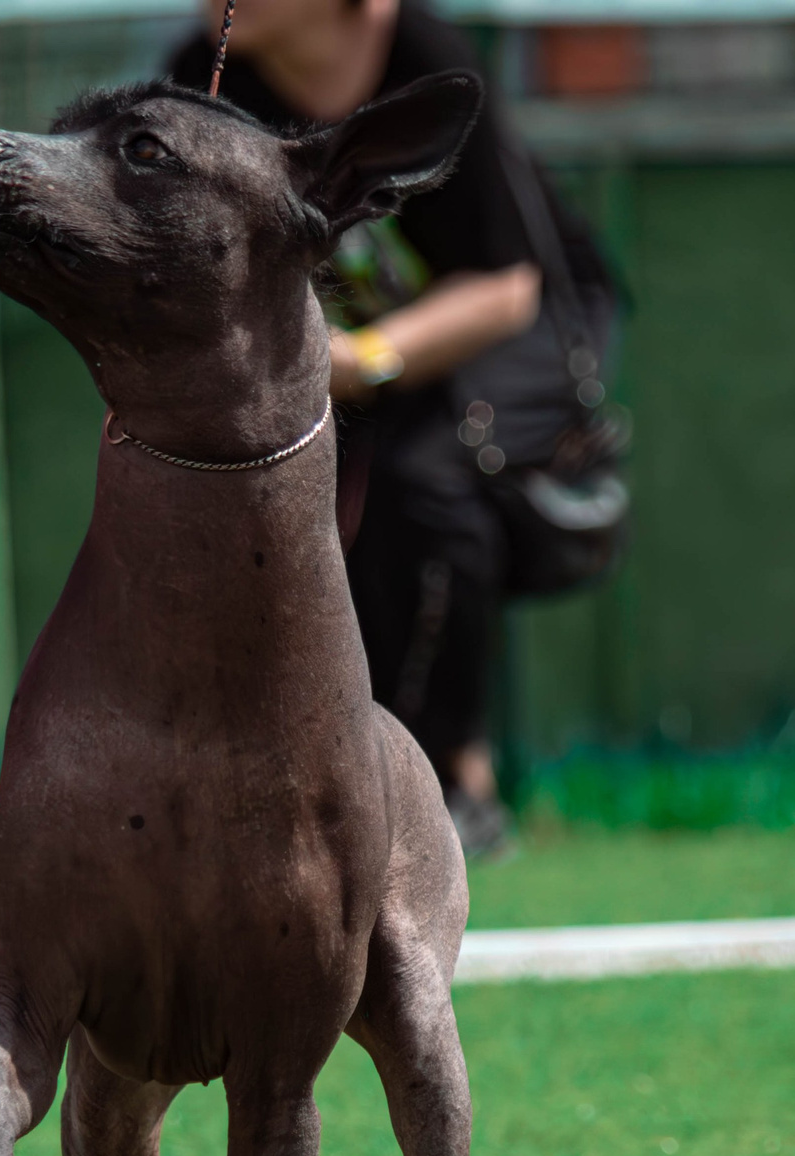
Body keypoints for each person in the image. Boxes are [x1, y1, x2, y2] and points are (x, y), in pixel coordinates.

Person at [169, 0, 607, 856]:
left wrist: (365, 357)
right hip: (352, 346)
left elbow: (506, 286)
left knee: (426, 481)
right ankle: (322, 787)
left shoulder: (428, 56)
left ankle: (450, 779)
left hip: (513, 326)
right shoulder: (205, 76)